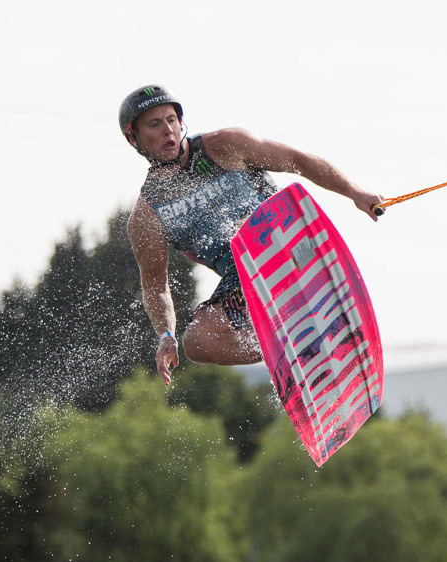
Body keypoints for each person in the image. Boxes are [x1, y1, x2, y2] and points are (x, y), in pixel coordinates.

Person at [120, 85, 383, 386]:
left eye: (171, 120)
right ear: (134, 138)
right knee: (197, 342)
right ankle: (295, 345)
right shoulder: (147, 216)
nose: (168, 130)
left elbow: (298, 161)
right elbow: (156, 285)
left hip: (292, 244)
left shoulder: (226, 145)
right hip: (247, 281)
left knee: (251, 226)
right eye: (155, 124)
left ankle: (307, 311)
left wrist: (354, 192)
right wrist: (166, 334)